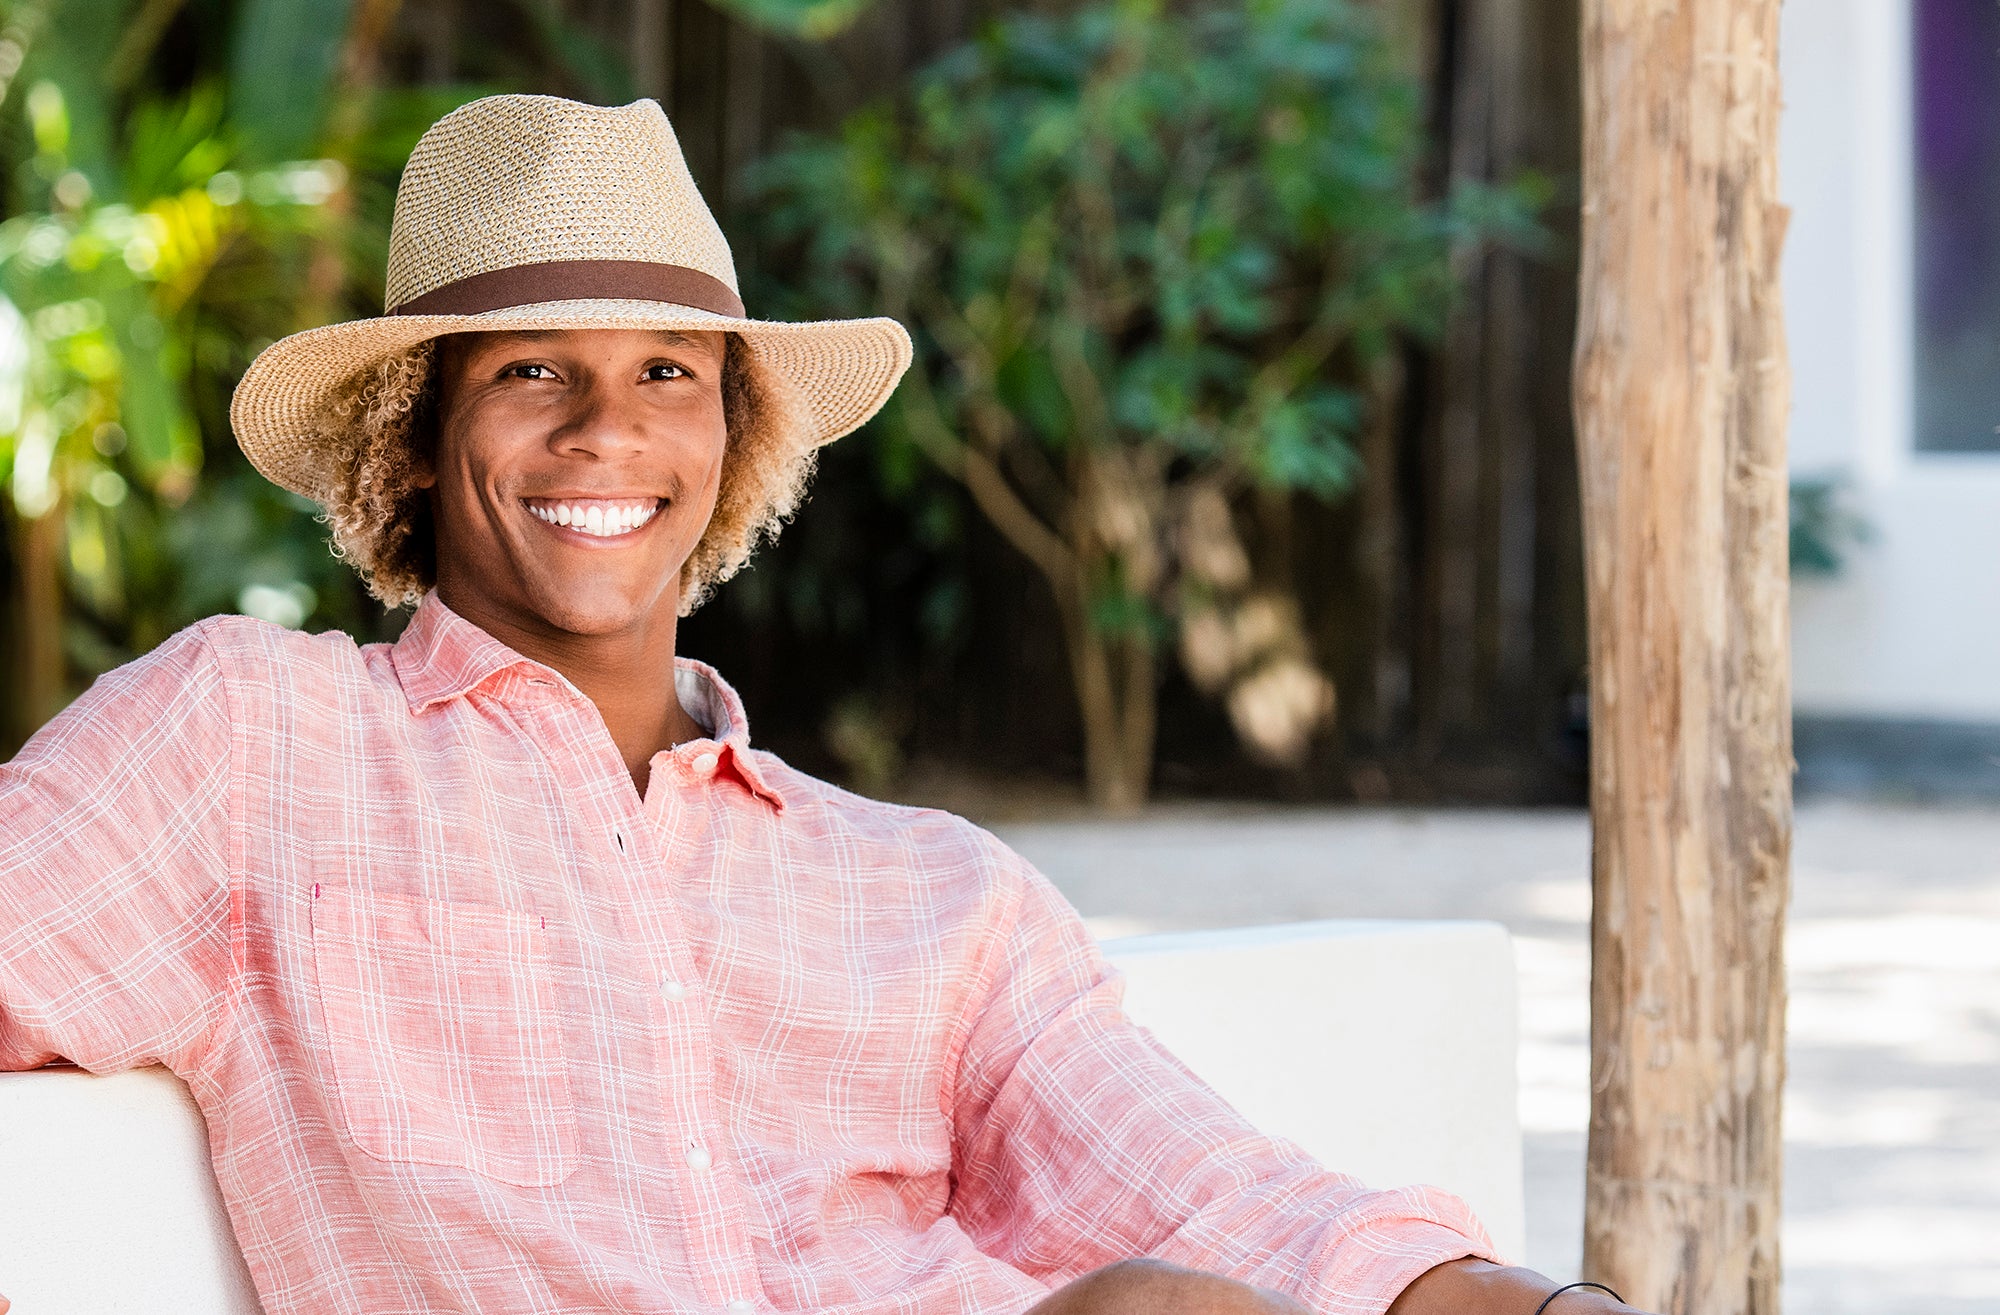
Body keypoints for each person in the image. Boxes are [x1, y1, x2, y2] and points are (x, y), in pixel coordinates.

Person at [0, 95, 1648, 1315]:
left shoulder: (931, 893)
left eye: (668, 373)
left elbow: (1203, 1182)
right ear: (416, 438)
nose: (605, 432)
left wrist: (1533, 1304)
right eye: (530, 370)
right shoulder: (254, 743)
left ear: (733, 445)